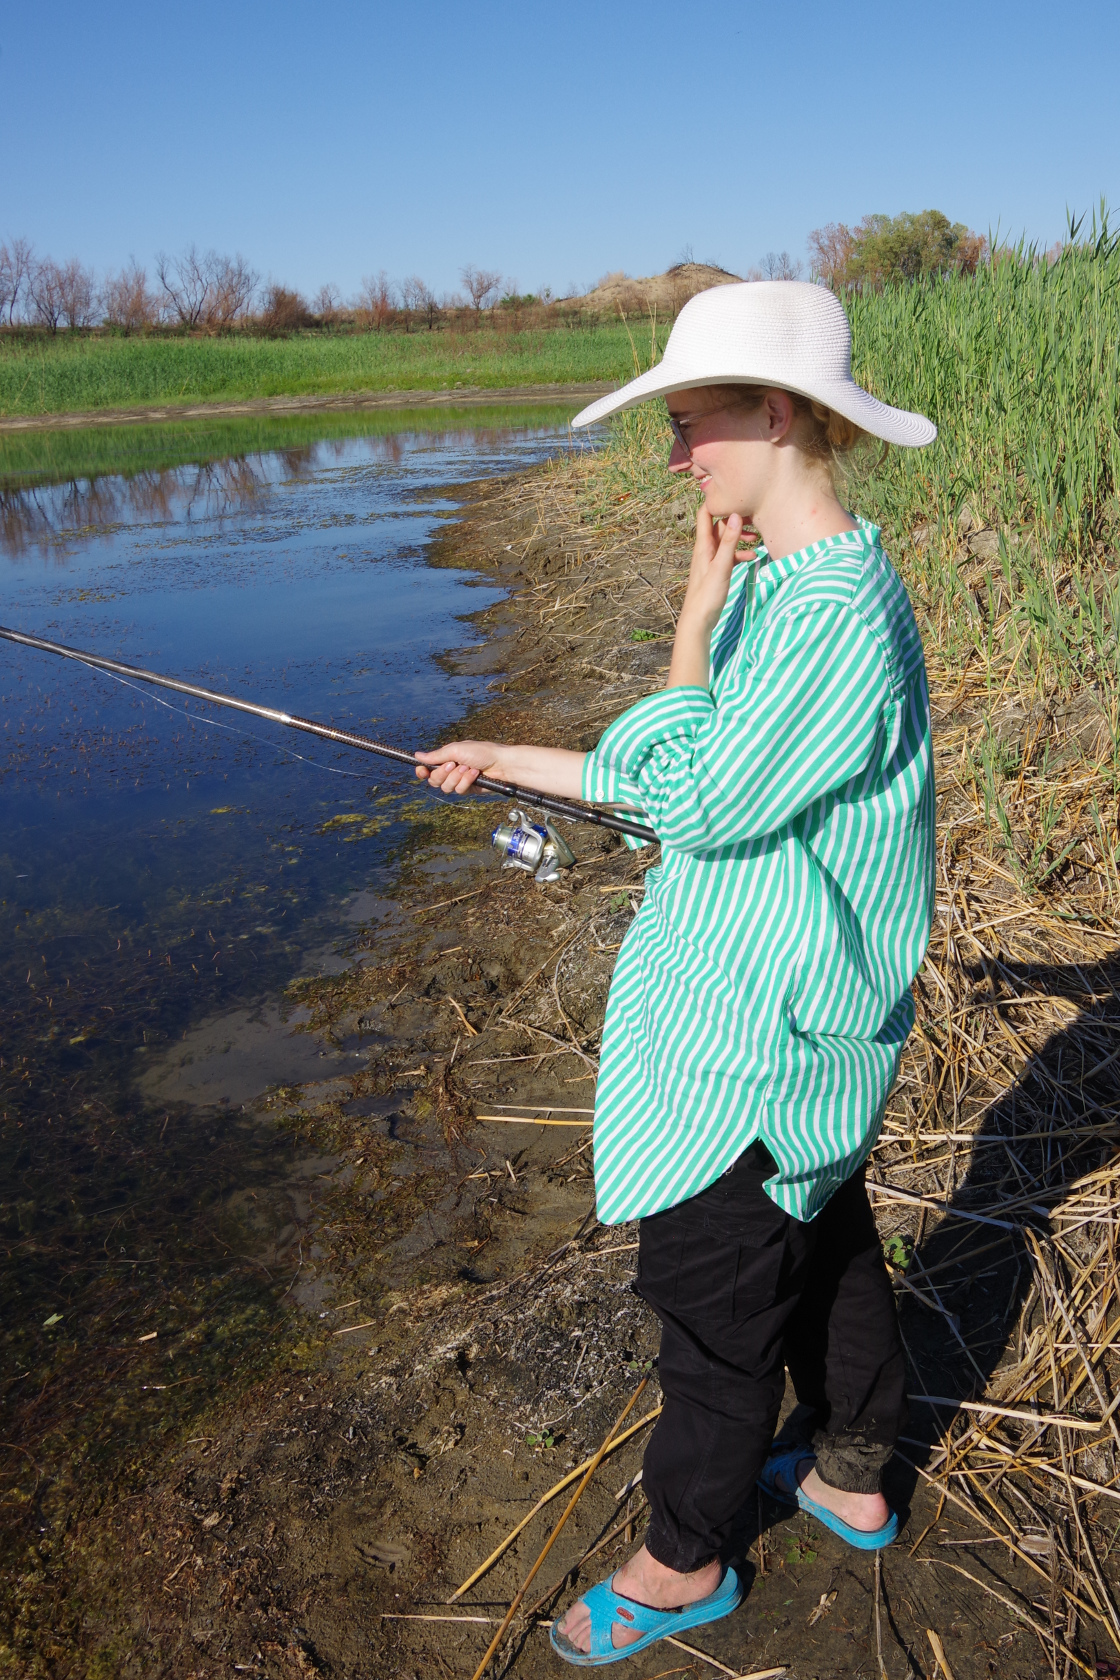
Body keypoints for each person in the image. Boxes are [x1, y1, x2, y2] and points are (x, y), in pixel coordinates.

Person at [415, 281, 937, 1668]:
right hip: (784, 1029)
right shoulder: (796, 588)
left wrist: (689, 630)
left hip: (753, 1041)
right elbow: (685, 781)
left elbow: (694, 799)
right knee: (819, 1238)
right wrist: (515, 750)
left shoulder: (833, 615)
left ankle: (683, 1557)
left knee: (712, 1310)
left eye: (689, 419)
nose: (674, 453)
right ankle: (852, 1471)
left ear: (776, 413)